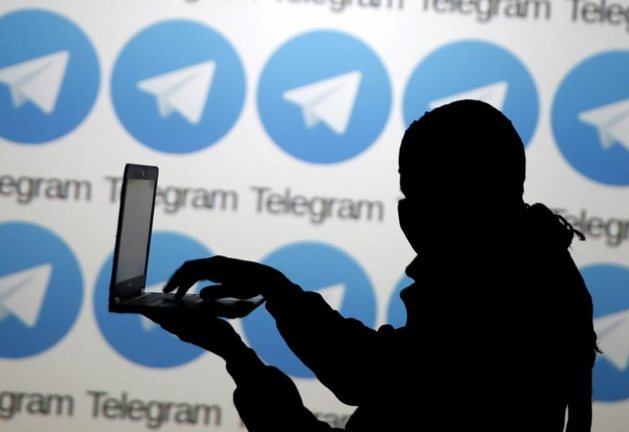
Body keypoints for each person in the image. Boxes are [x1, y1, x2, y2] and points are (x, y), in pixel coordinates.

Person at [145, 99, 599, 431]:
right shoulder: (539, 272)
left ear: (465, 193)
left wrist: (240, 353)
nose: (408, 210)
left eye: (419, 192)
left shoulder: (492, 298)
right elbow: (379, 374)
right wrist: (265, 306)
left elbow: (366, 374)